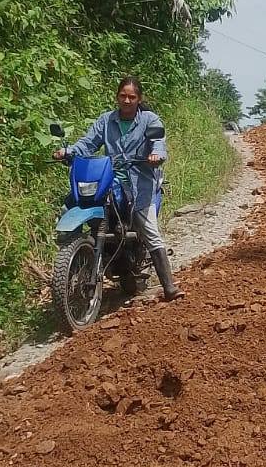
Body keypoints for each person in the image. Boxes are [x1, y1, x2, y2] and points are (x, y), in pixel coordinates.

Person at [53, 75, 181, 300]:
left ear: (139, 99)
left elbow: (159, 144)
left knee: (149, 230)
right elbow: (88, 143)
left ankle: (169, 287)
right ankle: (71, 260)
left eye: (132, 97)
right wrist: (68, 151)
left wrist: (156, 155)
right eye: (123, 96)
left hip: (139, 184)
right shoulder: (106, 120)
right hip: (109, 181)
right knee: (71, 204)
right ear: (117, 97)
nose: (127, 101)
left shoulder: (150, 120)